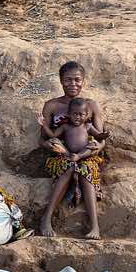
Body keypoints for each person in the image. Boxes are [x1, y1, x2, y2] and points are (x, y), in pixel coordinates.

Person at [39, 98, 105, 240]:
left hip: (86, 156)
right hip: (66, 155)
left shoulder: (88, 126)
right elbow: (51, 136)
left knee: (86, 171)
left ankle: (95, 226)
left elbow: (99, 137)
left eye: (81, 115)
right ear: (68, 114)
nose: (78, 117)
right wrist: (44, 125)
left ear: (86, 115)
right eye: (74, 114)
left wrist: (102, 138)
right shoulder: (65, 126)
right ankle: (46, 218)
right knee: (69, 167)